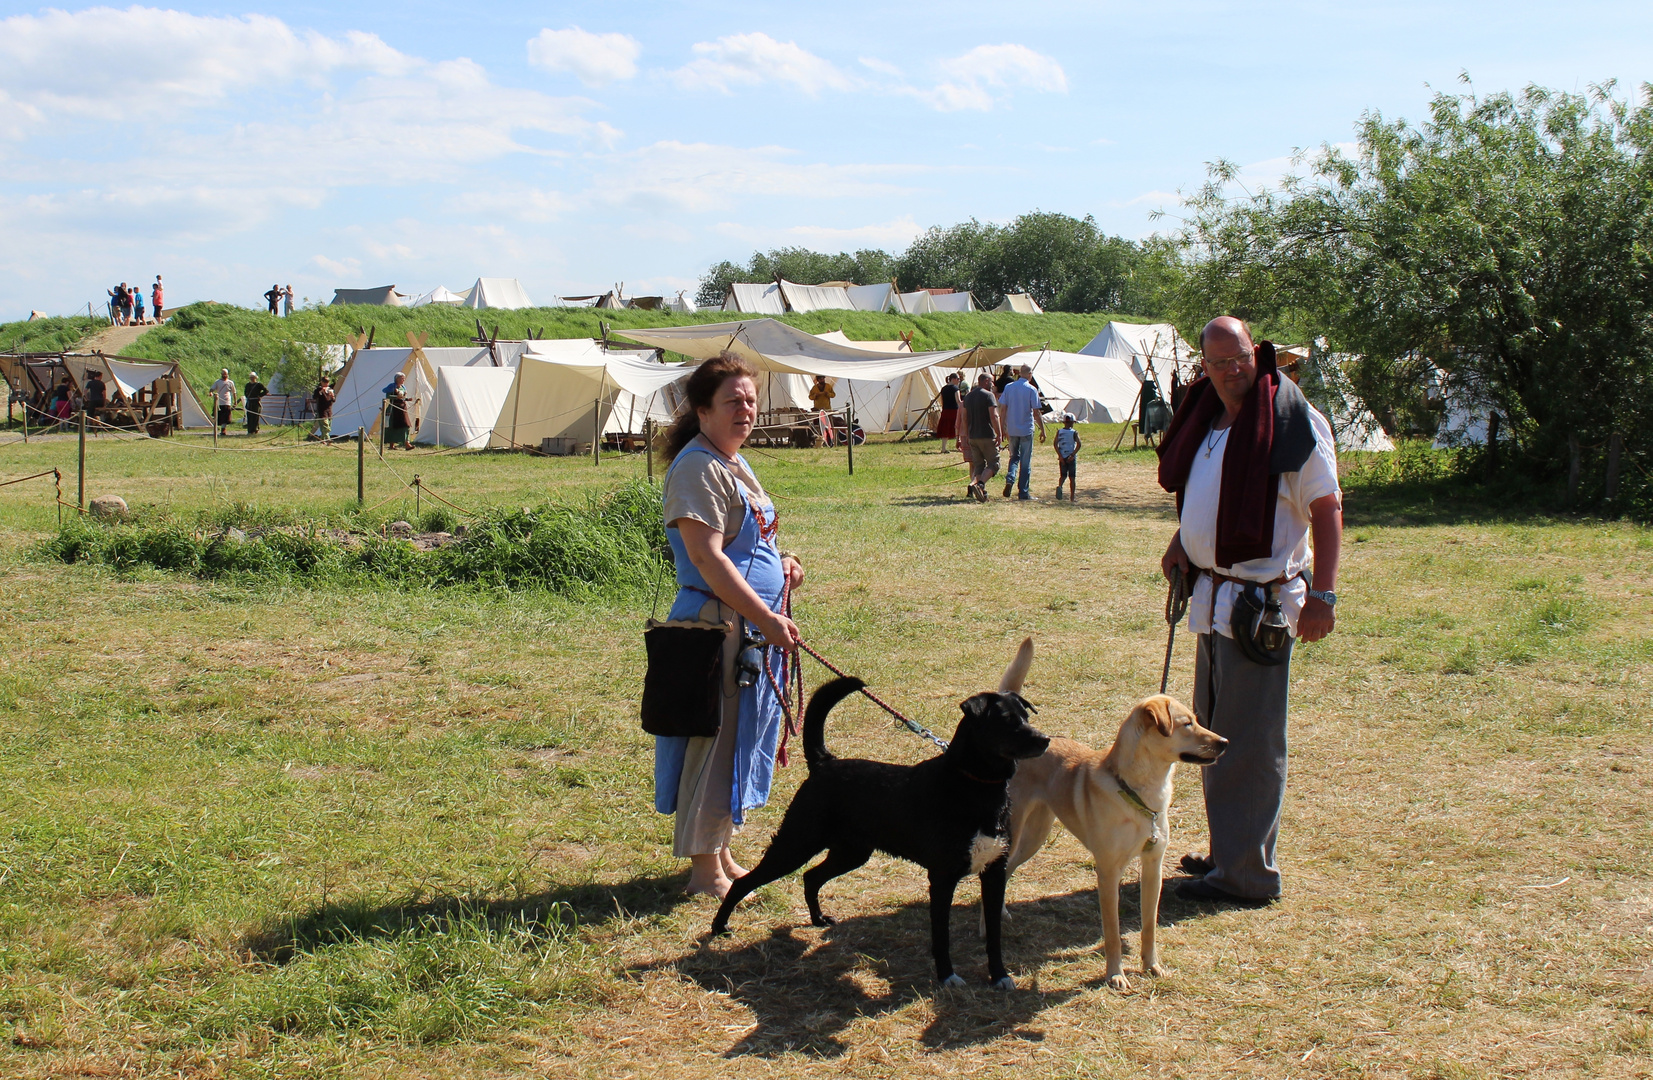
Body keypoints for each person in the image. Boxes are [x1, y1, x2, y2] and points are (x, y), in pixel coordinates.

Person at [1157, 316, 1342, 906]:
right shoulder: (1210, 418)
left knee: (1251, 745)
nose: (1233, 371)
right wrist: (1184, 542)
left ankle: (1248, 876)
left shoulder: (1289, 420)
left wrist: (1323, 595)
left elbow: (1327, 507)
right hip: (1213, 600)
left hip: (1258, 608)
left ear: (1255, 354)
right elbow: (1207, 497)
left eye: (1240, 358)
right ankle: (1228, 853)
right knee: (1212, 733)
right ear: (1203, 368)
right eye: (1219, 363)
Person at [655, 352, 804, 897]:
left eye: (750, 399)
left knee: (736, 741)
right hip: (717, 630)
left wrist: (780, 562)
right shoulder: (697, 467)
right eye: (732, 401)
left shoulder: (732, 461)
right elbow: (707, 558)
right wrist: (765, 613)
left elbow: (747, 543)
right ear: (701, 410)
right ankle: (703, 870)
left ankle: (718, 851)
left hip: (744, 630)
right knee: (712, 743)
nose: (745, 409)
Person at [998, 363, 1046, 500]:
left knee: (1013, 457)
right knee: (1025, 461)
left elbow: (1003, 409)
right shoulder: (1031, 389)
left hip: (1012, 429)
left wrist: (1002, 428)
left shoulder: (1009, 387)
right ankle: (1023, 491)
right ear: (1030, 374)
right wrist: (1042, 430)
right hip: (1026, 429)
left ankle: (1010, 478)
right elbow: (1036, 412)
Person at [961, 372, 1002, 502]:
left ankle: (972, 484)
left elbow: (965, 417)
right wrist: (999, 433)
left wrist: (967, 434)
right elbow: (994, 416)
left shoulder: (968, 397)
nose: (993, 384)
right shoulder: (988, 395)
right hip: (986, 434)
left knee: (978, 465)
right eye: (991, 381)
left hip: (973, 435)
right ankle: (980, 485)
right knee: (994, 464)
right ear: (985, 381)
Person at [1054, 413, 1081, 501]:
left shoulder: (1059, 432)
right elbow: (1079, 444)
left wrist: (1060, 456)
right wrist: (1073, 455)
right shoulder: (1074, 432)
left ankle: (1060, 486)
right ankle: (1072, 497)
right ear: (1073, 422)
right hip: (1071, 457)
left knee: (1063, 476)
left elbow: (1055, 444)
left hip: (1063, 456)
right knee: (1072, 478)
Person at [382, 371, 413, 449]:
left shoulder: (403, 387)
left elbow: (402, 397)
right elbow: (388, 396)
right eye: (401, 378)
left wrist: (407, 399)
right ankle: (391, 445)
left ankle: (407, 443)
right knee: (393, 426)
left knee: (406, 425)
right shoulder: (392, 387)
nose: (403, 380)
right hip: (393, 408)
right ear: (397, 379)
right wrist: (396, 397)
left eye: (404, 378)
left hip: (402, 409)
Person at [936, 371, 962, 450]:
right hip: (954, 411)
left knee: (945, 429)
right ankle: (959, 446)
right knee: (958, 428)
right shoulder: (955, 388)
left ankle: (943, 448)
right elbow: (958, 401)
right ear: (953, 379)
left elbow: (941, 401)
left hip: (945, 411)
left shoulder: (943, 389)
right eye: (958, 379)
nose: (959, 381)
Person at [209, 368, 235, 436]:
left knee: (226, 417)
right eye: (223, 374)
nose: (224, 375)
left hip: (227, 402)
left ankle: (223, 429)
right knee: (218, 417)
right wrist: (211, 392)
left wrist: (235, 401)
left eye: (225, 374)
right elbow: (212, 388)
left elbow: (234, 392)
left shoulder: (230, 382)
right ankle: (217, 429)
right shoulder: (218, 382)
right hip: (219, 402)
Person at [243, 371, 268, 436]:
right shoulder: (247, 385)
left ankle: (255, 429)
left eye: (253, 377)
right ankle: (250, 430)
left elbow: (265, 391)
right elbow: (246, 393)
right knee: (250, 416)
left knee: (255, 417)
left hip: (256, 402)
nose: (252, 378)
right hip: (250, 402)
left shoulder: (259, 385)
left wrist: (259, 395)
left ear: (255, 377)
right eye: (251, 377)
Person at [312, 374, 335, 441]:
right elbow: (314, 397)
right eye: (324, 382)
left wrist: (332, 396)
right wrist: (321, 391)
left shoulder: (330, 390)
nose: (326, 384)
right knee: (326, 427)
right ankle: (328, 440)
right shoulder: (318, 390)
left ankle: (322, 439)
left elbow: (333, 400)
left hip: (329, 410)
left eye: (327, 382)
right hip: (322, 411)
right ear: (322, 382)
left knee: (327, 426)